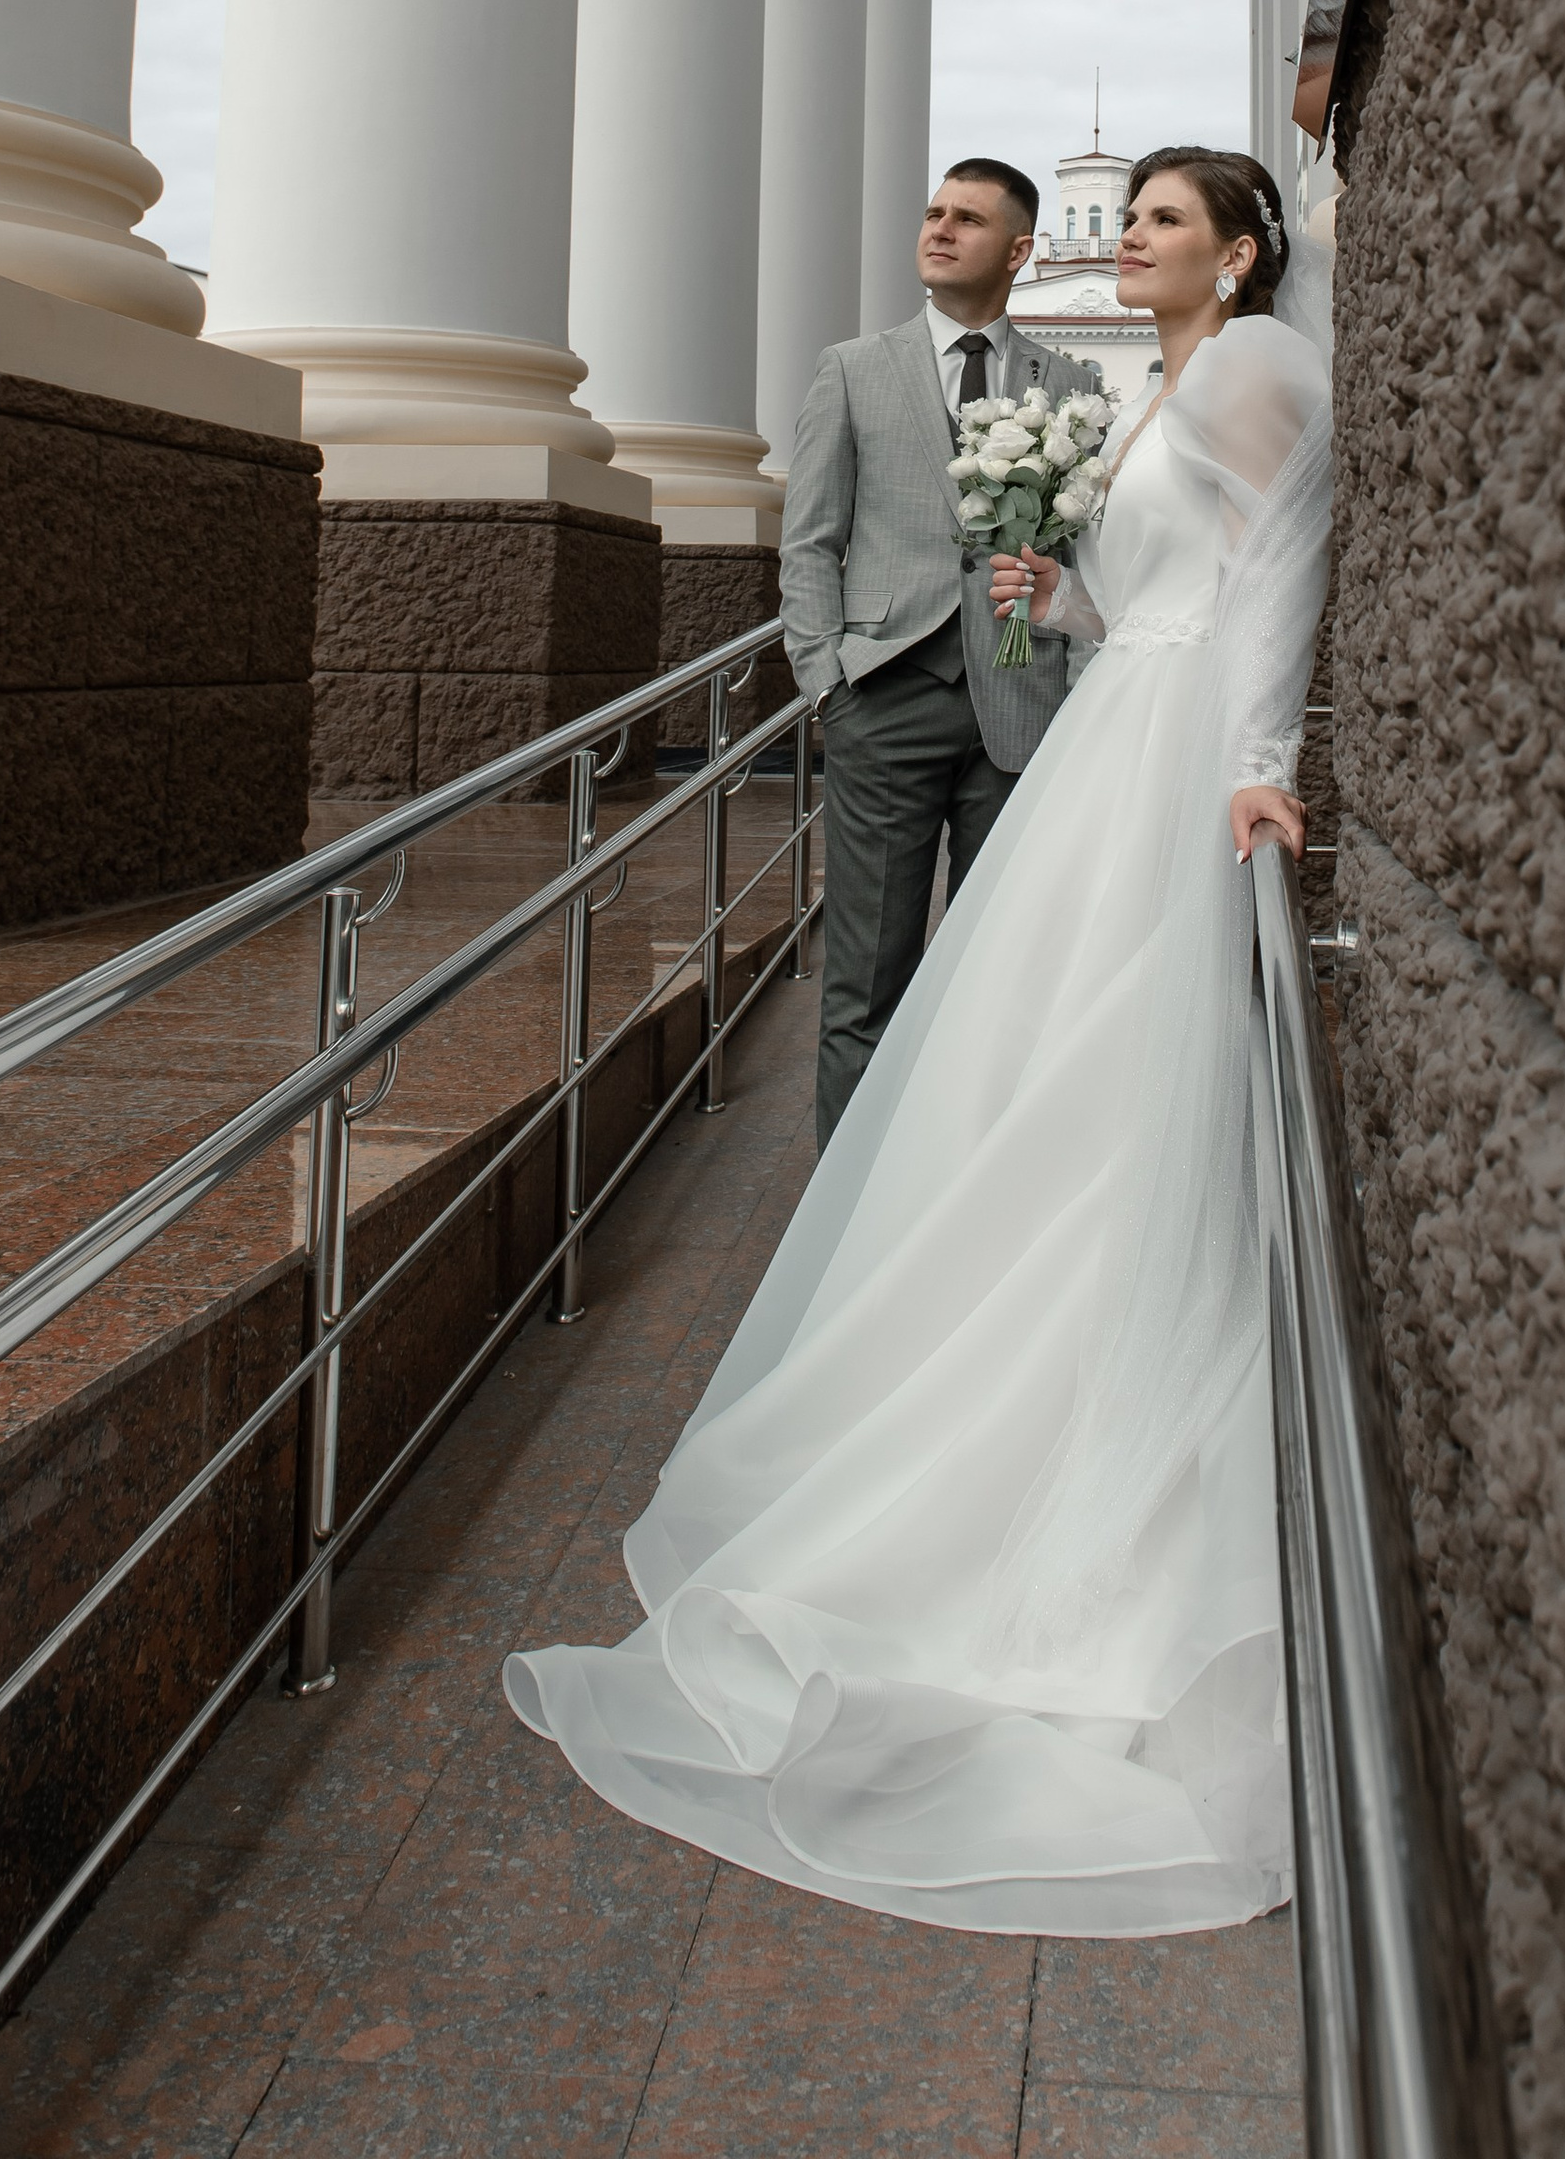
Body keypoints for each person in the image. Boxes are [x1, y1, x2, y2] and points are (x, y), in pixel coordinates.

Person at [505, 147, 1331, 1937]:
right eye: (1130, 218)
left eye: (1162, 222)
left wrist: (1260, 761)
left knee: (1109, 1078)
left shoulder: (1256, 364)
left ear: (1240, 253)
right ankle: (920, 1298)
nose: (1134, 241)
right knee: (1014, 1057)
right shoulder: (1152, 387)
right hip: (1103, 723)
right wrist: (1061, 600)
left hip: (1170, 757)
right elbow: (1149, 581)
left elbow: (1279, 566)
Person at [774, 158, 1103, 1141]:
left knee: (998, 978)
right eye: (934, 212)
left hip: (1021, 706)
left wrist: (1077, 695)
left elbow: (1084, 556)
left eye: (968, 219)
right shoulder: (853, 368)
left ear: (1018, 249)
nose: (941, 229)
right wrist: (826, 681)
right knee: (865, 983)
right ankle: (847, 1207)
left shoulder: (1067, 386)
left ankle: (962, 1184)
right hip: (886, 697)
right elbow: (810, 539)